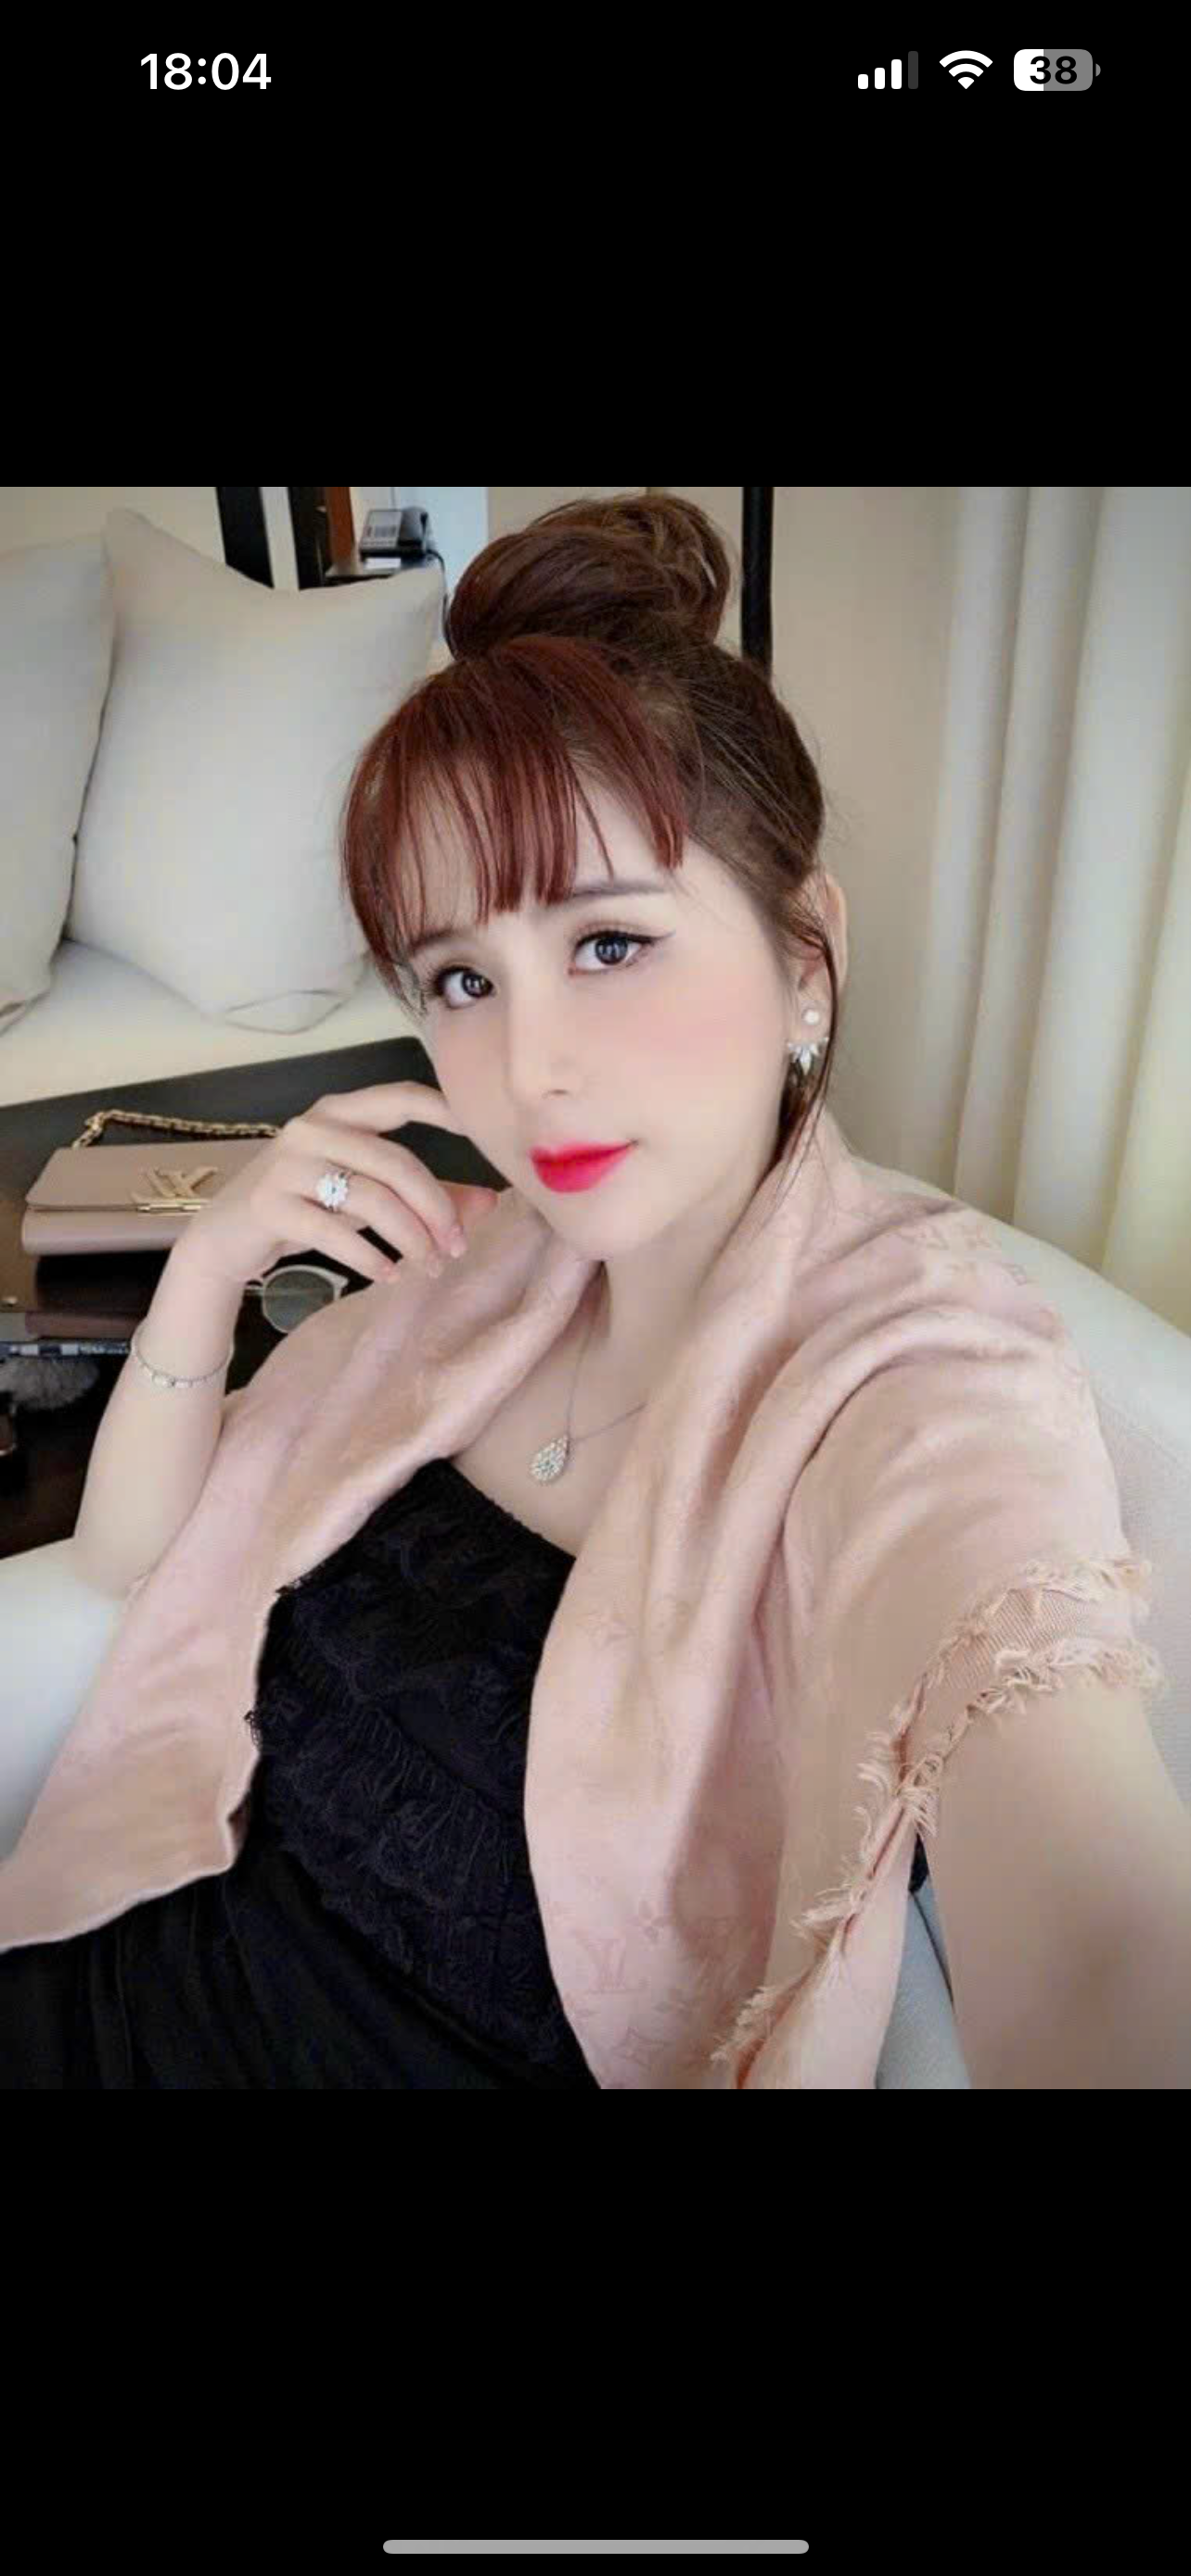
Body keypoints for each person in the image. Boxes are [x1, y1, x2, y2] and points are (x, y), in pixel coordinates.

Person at [2, 493, 1164, 2089]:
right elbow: (129, 1555)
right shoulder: (479, 1269)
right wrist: (206, 1267)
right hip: (114, 1977)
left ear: (804, 958)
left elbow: (1103, 1942)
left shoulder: (916, 1371)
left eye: (610, 943)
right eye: (462, 978)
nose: (527, 1065)